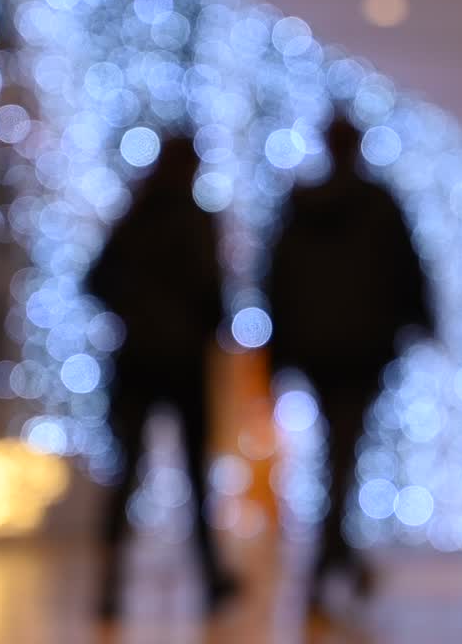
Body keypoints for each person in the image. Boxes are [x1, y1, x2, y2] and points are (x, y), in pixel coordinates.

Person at [263, 113, 435, 620]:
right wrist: (418, 322)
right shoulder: (377, 206)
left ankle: (337, 560)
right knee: (342, 457)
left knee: (337, 457)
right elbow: (409, 272)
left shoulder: (301, 207)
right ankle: (331, 564)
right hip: (361, 352)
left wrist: (279, 354)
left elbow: (277, 280)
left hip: (320, 352)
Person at [86, 135, 238, 619]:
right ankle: (210, 577)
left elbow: (95, 281)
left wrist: (134, 313)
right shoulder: (194, 221)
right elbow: (214, 294)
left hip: (135, 360)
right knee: (194, 474)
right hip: (181, 363)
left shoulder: (136, 216)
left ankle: (110, 582)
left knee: (126, 472)